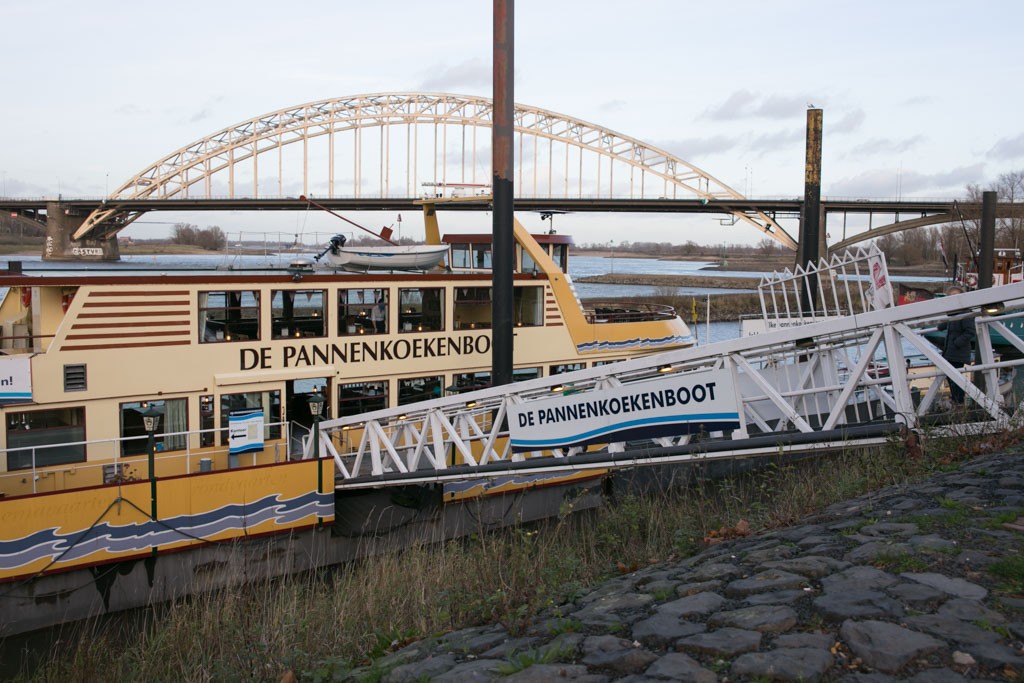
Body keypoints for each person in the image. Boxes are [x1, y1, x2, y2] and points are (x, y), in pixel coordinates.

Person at [937, 285, 976, 406]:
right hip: (950, 350)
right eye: (950, 297)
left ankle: (959, 402)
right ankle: (955, 400)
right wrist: (941, 323)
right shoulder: (952, 313)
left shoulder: (966, 313)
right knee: (950, 377)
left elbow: (970, 331)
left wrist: (957, 343)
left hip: (958, 351)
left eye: (955, 296)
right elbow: (945, 325)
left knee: (956, 377)